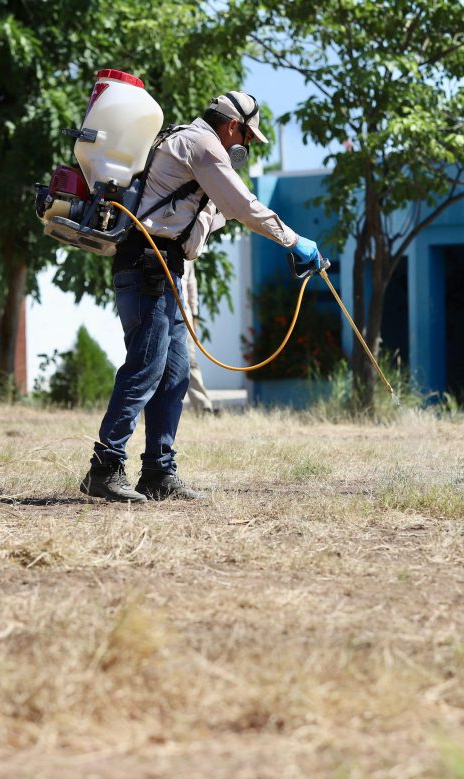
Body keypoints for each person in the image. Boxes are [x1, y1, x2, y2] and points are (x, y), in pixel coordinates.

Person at [80, 91, 322, 503]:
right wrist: (294, 240)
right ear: (233, 126)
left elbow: (213, 213)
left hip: (163, 267)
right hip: (147, 266)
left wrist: (232, 212)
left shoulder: (194, 146)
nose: (243, 146)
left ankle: (158, 471)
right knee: (146, 367)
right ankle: (104, 467)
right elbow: (242, 204)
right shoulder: (203, 143)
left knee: (173, 375)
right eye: (246, 136)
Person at [181, 259, 216, 416]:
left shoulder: (187, 248)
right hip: (159, 311)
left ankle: (204, 407)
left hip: (184, 315)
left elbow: (191, 284)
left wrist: (194, 313)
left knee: (190, 362)